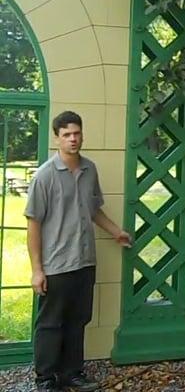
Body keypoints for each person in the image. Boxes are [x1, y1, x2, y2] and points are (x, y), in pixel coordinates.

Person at [25, 111, 131, 392]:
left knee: (78, 321)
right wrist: (37, 270)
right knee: (50, 324)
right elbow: (33, 224)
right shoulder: (44, 177)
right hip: (56, 264)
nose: (73, 139)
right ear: (57, 138)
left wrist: (115, 231)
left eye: (77, 133)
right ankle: (46, 379)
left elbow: (93, 210)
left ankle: (72, 373)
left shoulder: (90, 170)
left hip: (85, 261)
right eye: (67, 135)